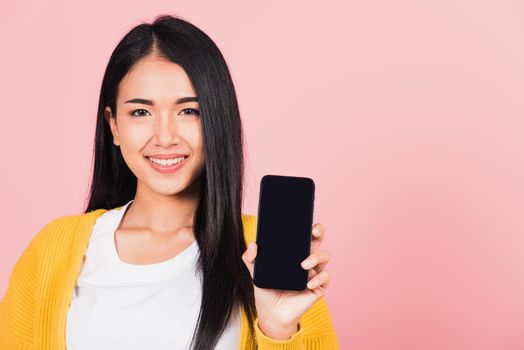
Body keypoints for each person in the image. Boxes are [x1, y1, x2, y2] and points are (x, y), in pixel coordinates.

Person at [0, 14, 339, 350]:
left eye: (189, 111)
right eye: (140, 112)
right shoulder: (52, 251)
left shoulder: (263, 256)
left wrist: (278, 329)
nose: (165, 137)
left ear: (218, 121)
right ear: (114, 125)